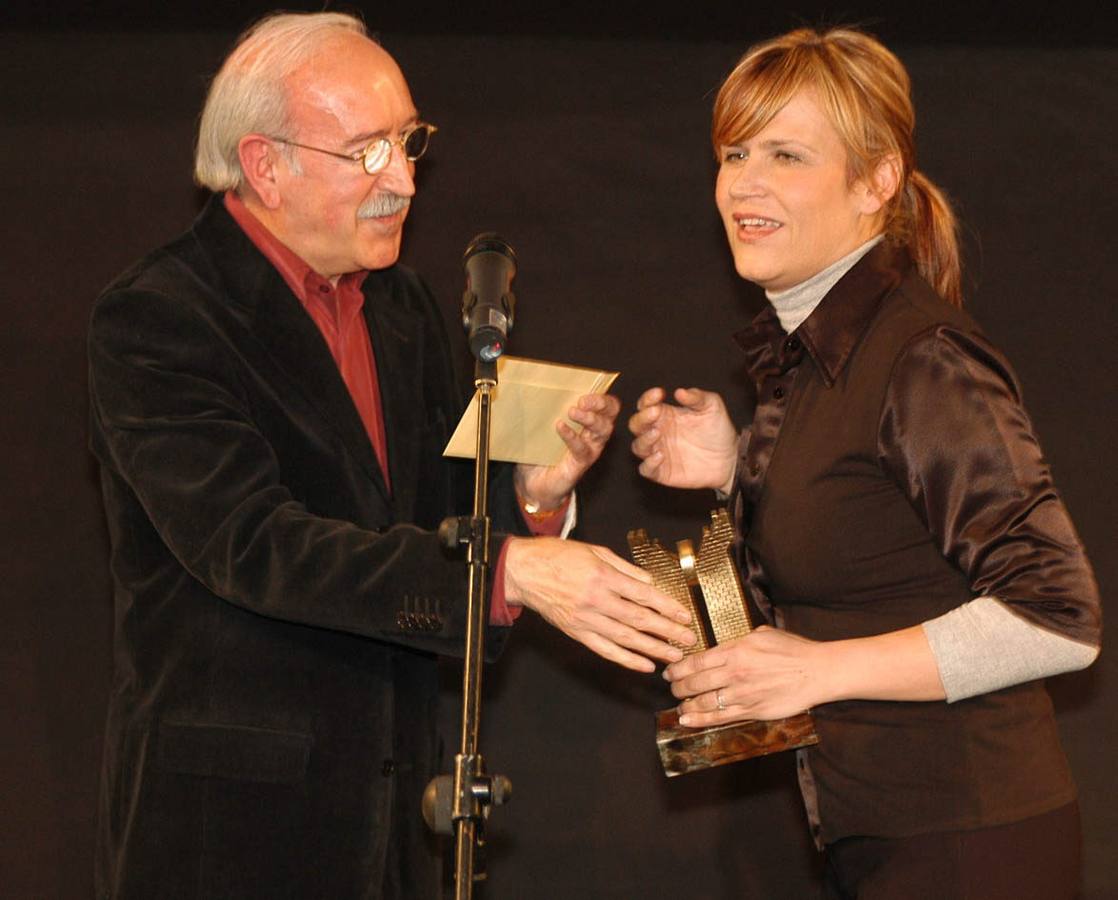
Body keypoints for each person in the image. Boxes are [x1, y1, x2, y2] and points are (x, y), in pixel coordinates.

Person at [88, 12, 694, 899]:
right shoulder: (159, 317)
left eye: (408, 142)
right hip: (228, 833)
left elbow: (431, 527)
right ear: (266, 165)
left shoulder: (403, 309)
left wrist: (535, 499)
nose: (406, 180)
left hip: (395, 829)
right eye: (368, 151)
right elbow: (252, 544)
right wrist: (511, 571)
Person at [629, 27, 1101, 900]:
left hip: (971, 848)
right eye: (734, 152)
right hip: (885, 839)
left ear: (876, 182)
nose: (745, 184)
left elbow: (1059, 618)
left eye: (787, 154)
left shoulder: (923, 356)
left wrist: (817, 666)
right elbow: (870, 530)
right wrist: (738, 468)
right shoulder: (814, 353)